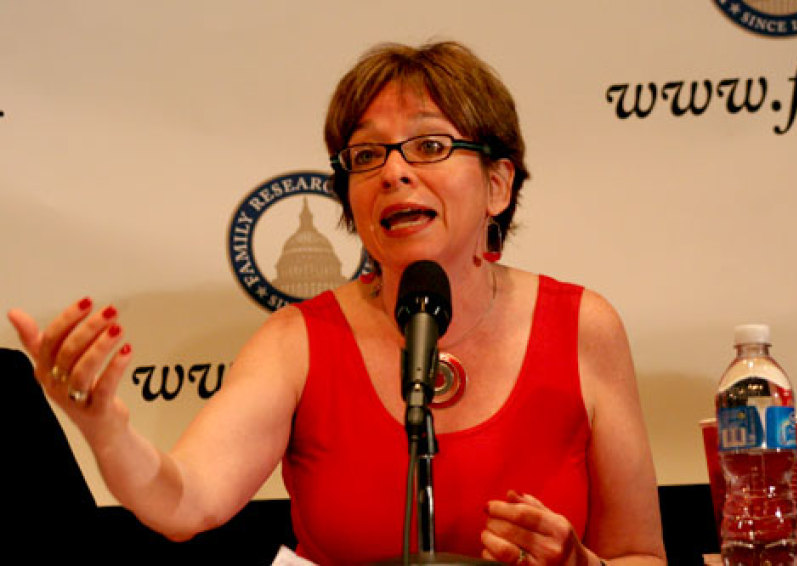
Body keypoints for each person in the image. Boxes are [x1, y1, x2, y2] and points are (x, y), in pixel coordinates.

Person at [7, 41, 665, 565]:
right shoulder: (298, 341)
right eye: (367, 153)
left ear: (498, 184)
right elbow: (184, 502)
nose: (394, 172)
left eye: (431, 146)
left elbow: (639, 554)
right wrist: (106, 432)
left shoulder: (583, 327)